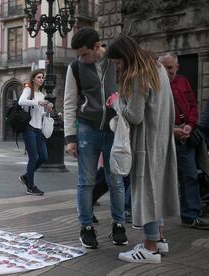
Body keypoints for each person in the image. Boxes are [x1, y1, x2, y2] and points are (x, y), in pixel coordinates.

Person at [106, 34, 179, 263]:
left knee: (146, 192)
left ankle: (149, 248)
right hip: (161, 138)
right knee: (154, 190)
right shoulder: (156, 68)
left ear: (126, 56)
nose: (117, 67)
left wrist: (118, 102)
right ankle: (158, 239)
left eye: (118, 62)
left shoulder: (139, 74)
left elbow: (135, 115)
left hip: (145, 142)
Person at [63, 27, 127, 249]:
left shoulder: (116, 63)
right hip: (88, 129)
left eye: (85, 54)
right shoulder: (75, 68)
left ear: (98, 46)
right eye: (79, 55)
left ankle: (119, 225)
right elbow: (70, 102)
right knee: (86, 181)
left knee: (116, 181)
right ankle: (86, 227)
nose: (81, 58)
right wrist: (70, 138)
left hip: (114, 130)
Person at [159, 53, 209, 230]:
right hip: (166, 136)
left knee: (190, 175)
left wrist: (190, 124)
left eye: (170, 67)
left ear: (177, 67)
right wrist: (171, 130)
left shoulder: (183, 82)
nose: (167, 71)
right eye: (164, 67)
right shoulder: (157, 85)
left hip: (185, 135)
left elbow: (193, 106)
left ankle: (190, 214)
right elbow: (155, 115)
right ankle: (133, 209)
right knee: (158, 176)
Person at [18, 69, 51, 196]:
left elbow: (40, 113)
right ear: (33, 79)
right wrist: (37, 102)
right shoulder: (28, 90)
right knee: (33, 157)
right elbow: (21, 102)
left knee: (43, 157)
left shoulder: (41, 95)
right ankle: (30, 187)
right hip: (29, 128)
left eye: (42, 77)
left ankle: (26, 177)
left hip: (39, 129)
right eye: (39, 77)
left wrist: (47, 110)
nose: (41, 79)